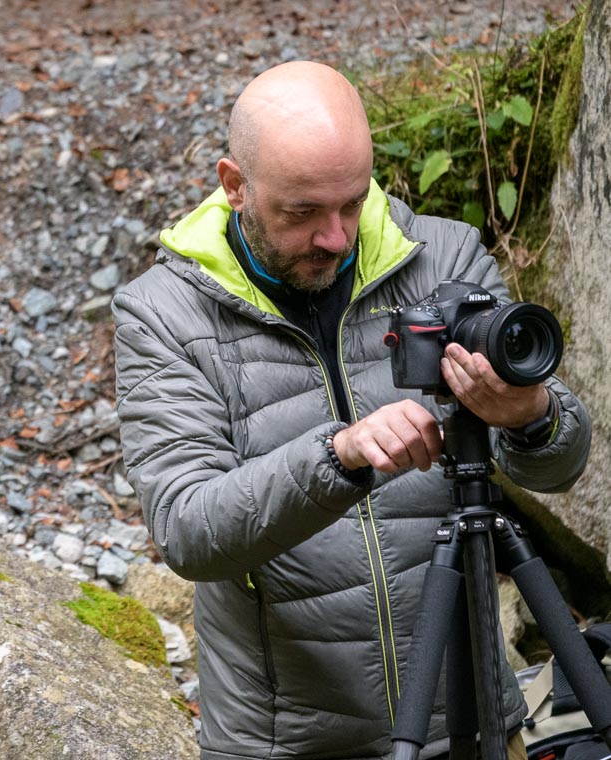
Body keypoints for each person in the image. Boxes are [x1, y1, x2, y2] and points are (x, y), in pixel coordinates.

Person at [112, 61, 591, 760]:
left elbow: (559, 468)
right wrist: (338, 455)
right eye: (302, 212)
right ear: (234, 184)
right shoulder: (162, 314)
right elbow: (188, 529)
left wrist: (529, 414)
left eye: (352, 201)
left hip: (471, 719)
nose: (336, 236)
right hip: (289, 743)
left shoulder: (443, 255)